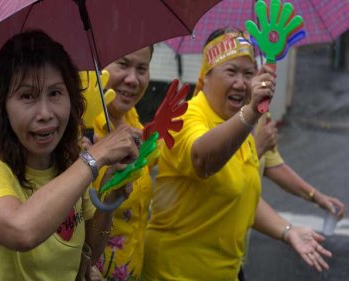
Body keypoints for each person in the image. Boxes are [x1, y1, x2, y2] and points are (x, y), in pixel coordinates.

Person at [142, 27, 332, 281]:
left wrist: (288, 231)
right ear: (206, 75)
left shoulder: (239, 123)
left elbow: (241, 198)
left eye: (248, 73)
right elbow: (202, 160)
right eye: (231, 71)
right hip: (175, 273)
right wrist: (251, 113)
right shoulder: (187, 115)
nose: (241, 83)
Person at [0, 30, 141, 280]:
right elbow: (21, 231)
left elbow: (89, 255)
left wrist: (109, 195)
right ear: (2, 107)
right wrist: (96, 157)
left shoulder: (70, 165)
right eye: (27, 96)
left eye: (55, 93)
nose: (45, 113)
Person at [81, 45, 154, 280]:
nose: (132, 79)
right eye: (122, 64)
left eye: (142, 68)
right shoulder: (79, 131)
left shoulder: (136, 125)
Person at [255, 113, 346, 217]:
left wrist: (316, 196)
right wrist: (286, 230)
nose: (270, 97)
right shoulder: (235, 116)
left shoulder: (261, 111)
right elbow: (235, 190)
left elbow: (271, 164)